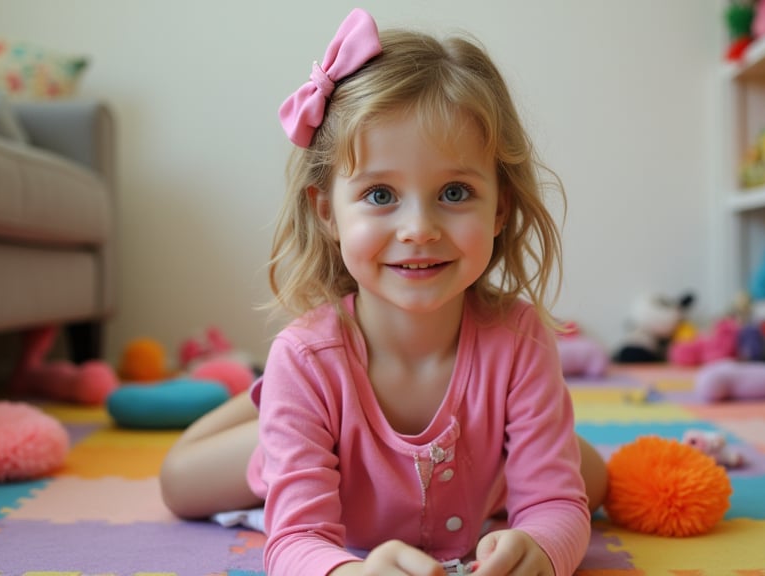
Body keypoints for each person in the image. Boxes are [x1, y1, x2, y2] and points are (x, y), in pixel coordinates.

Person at [159, 8, 608, 576]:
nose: (418, 228)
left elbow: (555, 505)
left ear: (500, 208)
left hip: (473, 476)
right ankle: (266, 400)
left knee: (593, 481)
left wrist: (541, 548)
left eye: (453, 191)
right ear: (328, 212)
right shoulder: (306, 359)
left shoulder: (521, 340)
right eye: (379, 195)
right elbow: (296, 538)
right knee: (177, 483)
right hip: (316, 409)